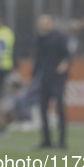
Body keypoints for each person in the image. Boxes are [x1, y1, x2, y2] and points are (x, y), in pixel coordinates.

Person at [32, 14, 70, 150]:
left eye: (46, 23)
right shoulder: (38, 39)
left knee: (60, 108)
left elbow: (67, 55)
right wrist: (33, 76)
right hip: (44, 78)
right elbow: (38, 59)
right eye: (41, 23)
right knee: (43, 110)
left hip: (57, 78)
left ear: (51, 24)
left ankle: (62, 141)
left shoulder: (59, 38)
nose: (43, 25)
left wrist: (64, 65)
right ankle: (46, 140)